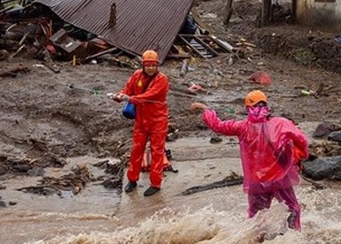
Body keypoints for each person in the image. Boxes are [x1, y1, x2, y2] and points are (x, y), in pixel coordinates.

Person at [191, 90, 308, 230]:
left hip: (256, 182)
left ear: (247, 108)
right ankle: (293, 237)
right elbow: (301, 140)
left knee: (256, 217)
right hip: (280, 178)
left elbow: (218, 125)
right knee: (292, 208)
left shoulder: (242, 127)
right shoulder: (281, 123)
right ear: (266, 105)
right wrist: (300, 157)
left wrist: (206, 110)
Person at [113, 50, 169, 197]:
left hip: (158, 120)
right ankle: (132, 179)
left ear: (157, 66)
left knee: (157, 151)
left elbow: (149, 95)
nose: (151, 68)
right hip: (141, 120)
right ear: (143, 65)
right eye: (148, 65)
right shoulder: (136, 75)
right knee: (136, 149)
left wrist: (130, 98)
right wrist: (119, 96)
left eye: (153, 65)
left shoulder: (162, 79)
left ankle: (156, 183)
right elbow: (127, 90)